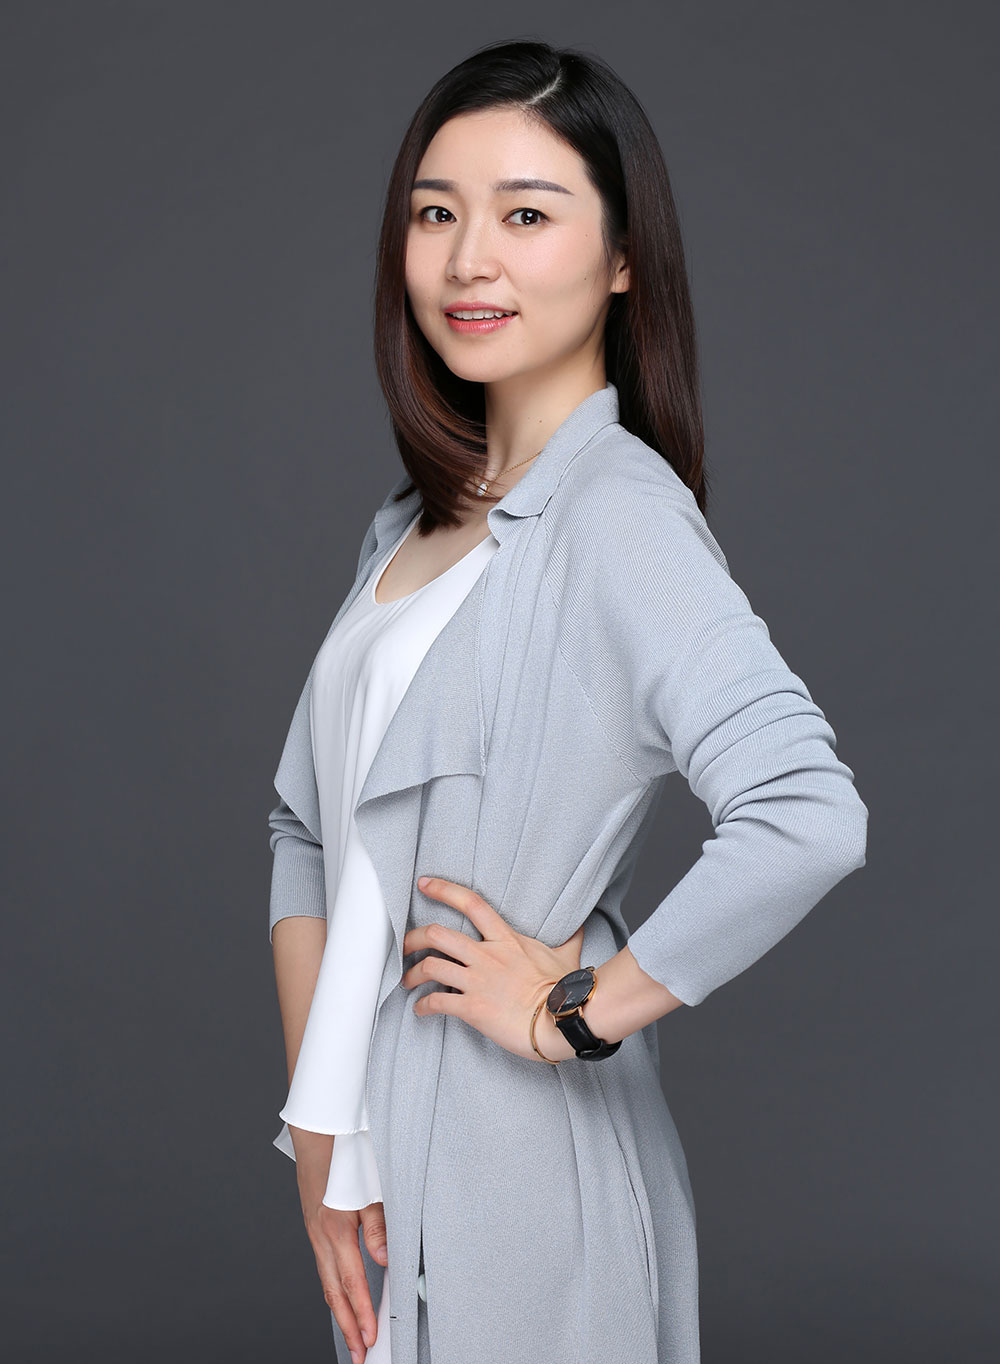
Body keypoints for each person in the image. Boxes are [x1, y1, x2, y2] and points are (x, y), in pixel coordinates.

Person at [267, 38, 869, 1364]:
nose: (468, 260)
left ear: (623, 257)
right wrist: (322, 1129)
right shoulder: (409, 526)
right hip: (380, 1171)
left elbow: (807, 812)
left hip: (521, 1178)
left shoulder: (618, 516)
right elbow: (306, 832)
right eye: (437, 214)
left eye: (527, 216)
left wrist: (575, 1009)